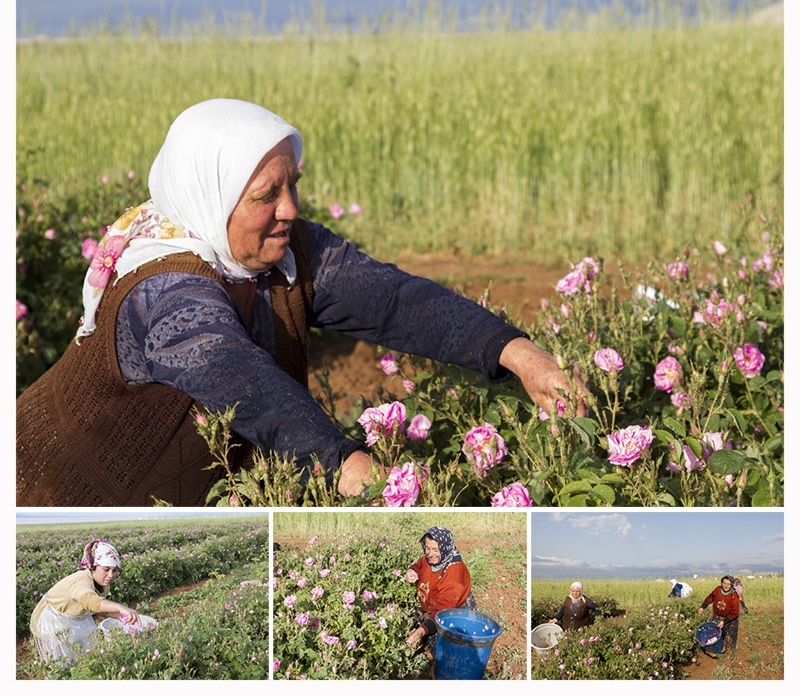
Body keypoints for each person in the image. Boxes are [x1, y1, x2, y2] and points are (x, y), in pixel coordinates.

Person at [16, 98, 588, 507]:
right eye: (268, 194)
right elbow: (243, 381)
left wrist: (521, 355)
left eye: (294, 185)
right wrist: (348, 467)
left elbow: (394, 301)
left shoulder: (283, 251)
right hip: (54, 492)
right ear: (212, 200)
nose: (290, 208)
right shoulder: (163, 291)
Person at [29, 539, 141, 662]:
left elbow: (98, 609)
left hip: (74, 617)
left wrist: (122, 616)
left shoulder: (102, 583)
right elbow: (89, 601)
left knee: (81, 654)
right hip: (54, 619)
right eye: (106, 569)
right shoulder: (81, 581)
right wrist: (121, 607)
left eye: (114, 570)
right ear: (93, 567)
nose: (111, 575)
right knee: (61, 660)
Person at [405, 526, 475, 656]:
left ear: (445, 548)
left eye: (436, 550)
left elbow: (442, 612)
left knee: (446, 648)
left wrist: (422, 631)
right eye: (427, 548)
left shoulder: (454, 575)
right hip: (433, 602)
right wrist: (412, 571)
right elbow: (419, 565)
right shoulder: (429, 559)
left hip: (453, 609)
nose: (430, 554)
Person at [699, 575, 741, 658]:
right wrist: (703, 607)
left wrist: (724, 621)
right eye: (724, 583)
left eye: (728, 584)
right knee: (712, 631)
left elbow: (735, 612)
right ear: (721, 583)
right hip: (716, 614)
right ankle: (712, 649)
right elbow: (710, 597)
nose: (726, 586)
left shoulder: (734, 596)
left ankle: (728, 655)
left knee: (729, 636)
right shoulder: (718, 589)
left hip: (730, 618)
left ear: (732, 585)